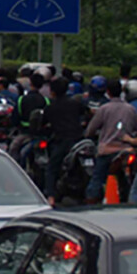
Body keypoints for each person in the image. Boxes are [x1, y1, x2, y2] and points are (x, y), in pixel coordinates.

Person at [84, 79, 137, 203]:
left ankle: (91, 202)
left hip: (107, 150)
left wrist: (89, 135)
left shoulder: (104, 109)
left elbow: (91, 129)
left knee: (97, 179)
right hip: (126, 151)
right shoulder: (130, 109)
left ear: (108, 92)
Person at [43, 77, 89, 205]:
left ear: (52, 92)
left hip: (61, 141)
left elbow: (43, 123)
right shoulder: (75, 103)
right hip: (78, 140)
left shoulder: (50, 107)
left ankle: (50, 196)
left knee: (52, 168)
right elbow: (86, 113)